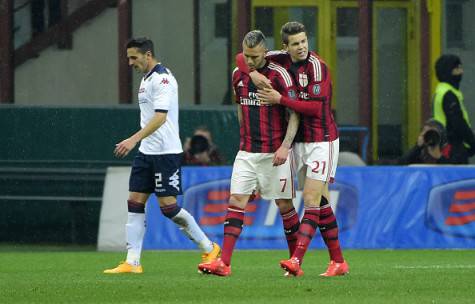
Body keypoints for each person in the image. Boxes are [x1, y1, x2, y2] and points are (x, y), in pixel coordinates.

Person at [240, 21, 349, 277]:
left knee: (311, 198)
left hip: (322, 139)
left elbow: (316, 108)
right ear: (284, 47)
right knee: (319, 202)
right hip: (297, 141)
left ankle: (296, 260)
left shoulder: (318, 67)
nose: (301, 47)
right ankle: (338, 261)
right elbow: (242, 56)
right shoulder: (279, 59)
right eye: (296, 43)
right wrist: (252, 72)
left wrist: (281, 100)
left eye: (304, 41)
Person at [104, 38, 220, 274]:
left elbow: (160, 117)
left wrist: (132, 139)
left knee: (169, 208)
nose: (130, 62)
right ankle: (132, 262)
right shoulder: (146, 80)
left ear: (148, 55)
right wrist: (140, 143)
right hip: (147, 153)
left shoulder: (162, 79)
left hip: (165, 153)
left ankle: (209, 248)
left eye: (134, 57)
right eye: (128, 57)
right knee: (135, 202)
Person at [197, 30, 300, 276]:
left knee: (284, 205)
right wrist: (243, 137)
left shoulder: (280, 75)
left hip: (275, 152)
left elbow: (294, 113)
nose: (250, 61)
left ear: (265, 52)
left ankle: (296, 262)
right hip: (247, 152)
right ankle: (225, 263)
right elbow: (239, 106)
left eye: (255, 56)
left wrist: (286, 146)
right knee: (236, 201)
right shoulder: (238, 75)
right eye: (247, 56)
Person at [433, 54, 475, 164]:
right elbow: (458, 123)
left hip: (444, 146)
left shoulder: (440, 91)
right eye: (457, 68)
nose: (461, 72)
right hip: (453, 148)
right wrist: (472, 142)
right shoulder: (448, 95)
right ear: (448, 71)